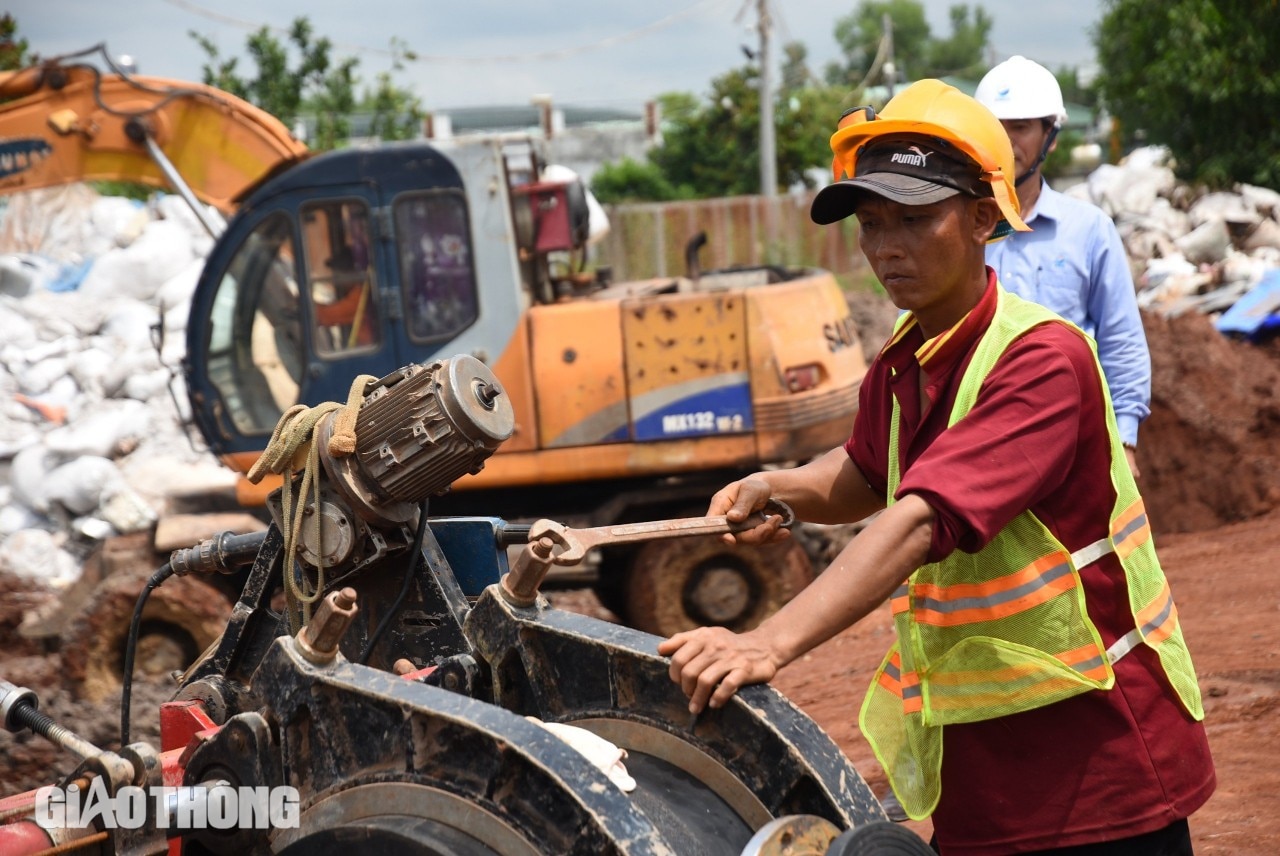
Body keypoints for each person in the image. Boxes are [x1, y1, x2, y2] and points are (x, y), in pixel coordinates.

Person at [657, 80, 1214, 855]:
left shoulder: (1041, 360)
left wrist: (768, 642)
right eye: (872, 222)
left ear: (985, 217)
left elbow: (919, 516)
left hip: (1097, 763)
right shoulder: (908, 353)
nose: (887, 246)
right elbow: (864, 471)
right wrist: (780, 488)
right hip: (986, 767)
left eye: (916, 219)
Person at [975, 56, 1150, 477]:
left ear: (1050, 136)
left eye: (1020, 128)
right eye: (994, 129)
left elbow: (1121, 339)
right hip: (976, 450)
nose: (1006, 142)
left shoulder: (1089, 230)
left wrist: (1125, 438)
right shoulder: (953, 232)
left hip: (1074, 449)